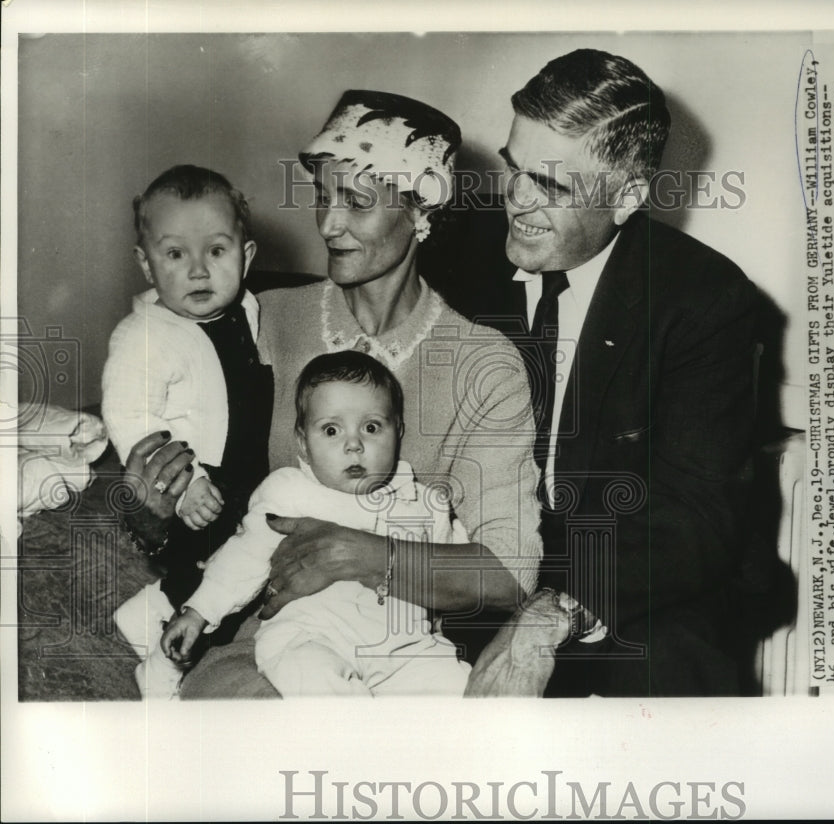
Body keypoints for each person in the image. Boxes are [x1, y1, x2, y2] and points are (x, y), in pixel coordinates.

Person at [118, 91, 541, 699]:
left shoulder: (485, 365)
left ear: (421, 214)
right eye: (323, 196)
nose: (326, 224)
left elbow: (509, 573)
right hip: (268, 643)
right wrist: (151, 515)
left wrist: (365, 555)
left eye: (357, 203)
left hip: (404, 649)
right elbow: (227, 520)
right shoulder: (262, 321)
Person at [443, 49, 759, 696]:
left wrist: (554, 612)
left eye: (553, 186)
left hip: (624, 586)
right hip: (478, 567)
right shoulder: (457, 267)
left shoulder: (701, 299)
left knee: (674, 670)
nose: (519, 203)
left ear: (629, 197)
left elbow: (695, 519)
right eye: (514, 170)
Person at [161, 351, 472, 696]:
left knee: (454, 683)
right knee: (309, 677)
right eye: (331, 430)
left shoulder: (426, 504)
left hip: (403, 645)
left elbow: (455, 573)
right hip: (309, 635)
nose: (353, 445)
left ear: (397, 430)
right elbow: (243, 557)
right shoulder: (290, 491)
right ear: (303, 443)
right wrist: (198, 611)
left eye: (371, 427)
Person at [102, 164, 271, 697]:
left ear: (246, 256)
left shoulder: (247, 309)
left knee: (244, 566)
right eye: (175, 254)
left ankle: (146, 610)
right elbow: (133, 417)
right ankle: (165, 668)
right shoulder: (143, 336)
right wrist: (187, 484)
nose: (198, 271)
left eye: (216, 251)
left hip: (247, 468)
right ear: (146, 265)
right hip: (194, 486)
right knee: (220, 571)